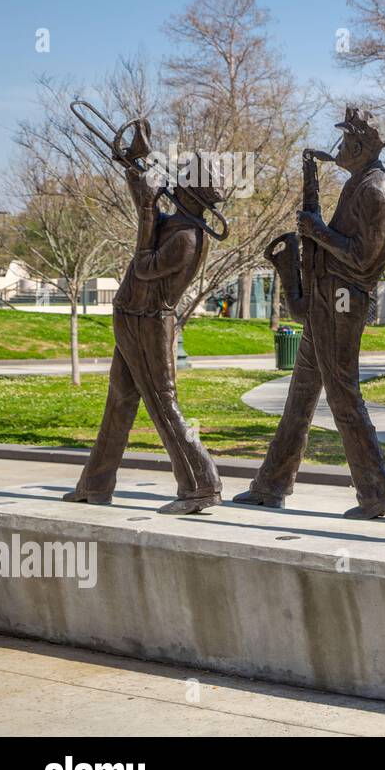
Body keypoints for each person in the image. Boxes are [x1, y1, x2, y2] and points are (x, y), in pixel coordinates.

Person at [233, 107, 385, 519]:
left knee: (343, 395)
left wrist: (316, 232)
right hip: (327, 299)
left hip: (343, 302)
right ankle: (272, 484)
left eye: (344, 143)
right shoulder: (359, 183)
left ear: (360, 147)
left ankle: (377, 490)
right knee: (300, 398)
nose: (338, 150)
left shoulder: (377, 190)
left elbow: (364, 257)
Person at [65, 129, 227, 515]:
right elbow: (149, 200)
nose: (176, 176)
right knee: (119, 402)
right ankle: (95, 484)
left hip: (149, 322)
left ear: (193, 188)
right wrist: (132, 164)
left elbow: (142, 263)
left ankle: (201, 483)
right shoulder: (176, 222)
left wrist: (146, 210)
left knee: (163, 402)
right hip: (133, 317)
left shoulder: (187, 237)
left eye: (184, 173)